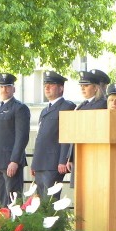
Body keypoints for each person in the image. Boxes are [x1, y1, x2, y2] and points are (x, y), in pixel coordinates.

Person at [0, 72, 30, 208]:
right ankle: (3, 227)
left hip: (10, 163)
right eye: (1, 87)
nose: (4, 90)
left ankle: (16, 229)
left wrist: (14, 161)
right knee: (1, 200)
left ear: (13, 88)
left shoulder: (20, 108)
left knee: (14, 201)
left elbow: (22, 137)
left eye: (8, 86)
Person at [30, 71, 75, 199]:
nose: (47, 87)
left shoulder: (67, 106)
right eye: (45, 85)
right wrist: (35, 162)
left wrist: (63, 160)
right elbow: (40, 138)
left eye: (51, 84)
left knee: (51, 201)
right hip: (41, 162)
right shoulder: (45, 110)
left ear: (61, 88)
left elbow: (67, 135)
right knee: (40, 202)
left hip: (54, 162)